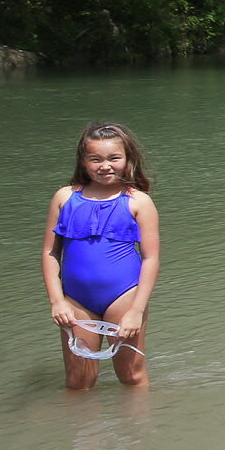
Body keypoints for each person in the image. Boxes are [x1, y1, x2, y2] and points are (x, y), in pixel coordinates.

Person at [41, 121, 161, 391]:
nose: (105, 166)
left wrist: (136, 311)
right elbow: (50, 253)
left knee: (132, 377)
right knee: (78, 382)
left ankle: (138, 431)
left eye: (114, 158)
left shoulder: (138, 201)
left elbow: (151, 259)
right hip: (75, 300)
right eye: (95, 159)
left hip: (124, 297)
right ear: (83, 162)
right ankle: (82, 433)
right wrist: (57, 301)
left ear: (128, 159)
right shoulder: (64, 198)